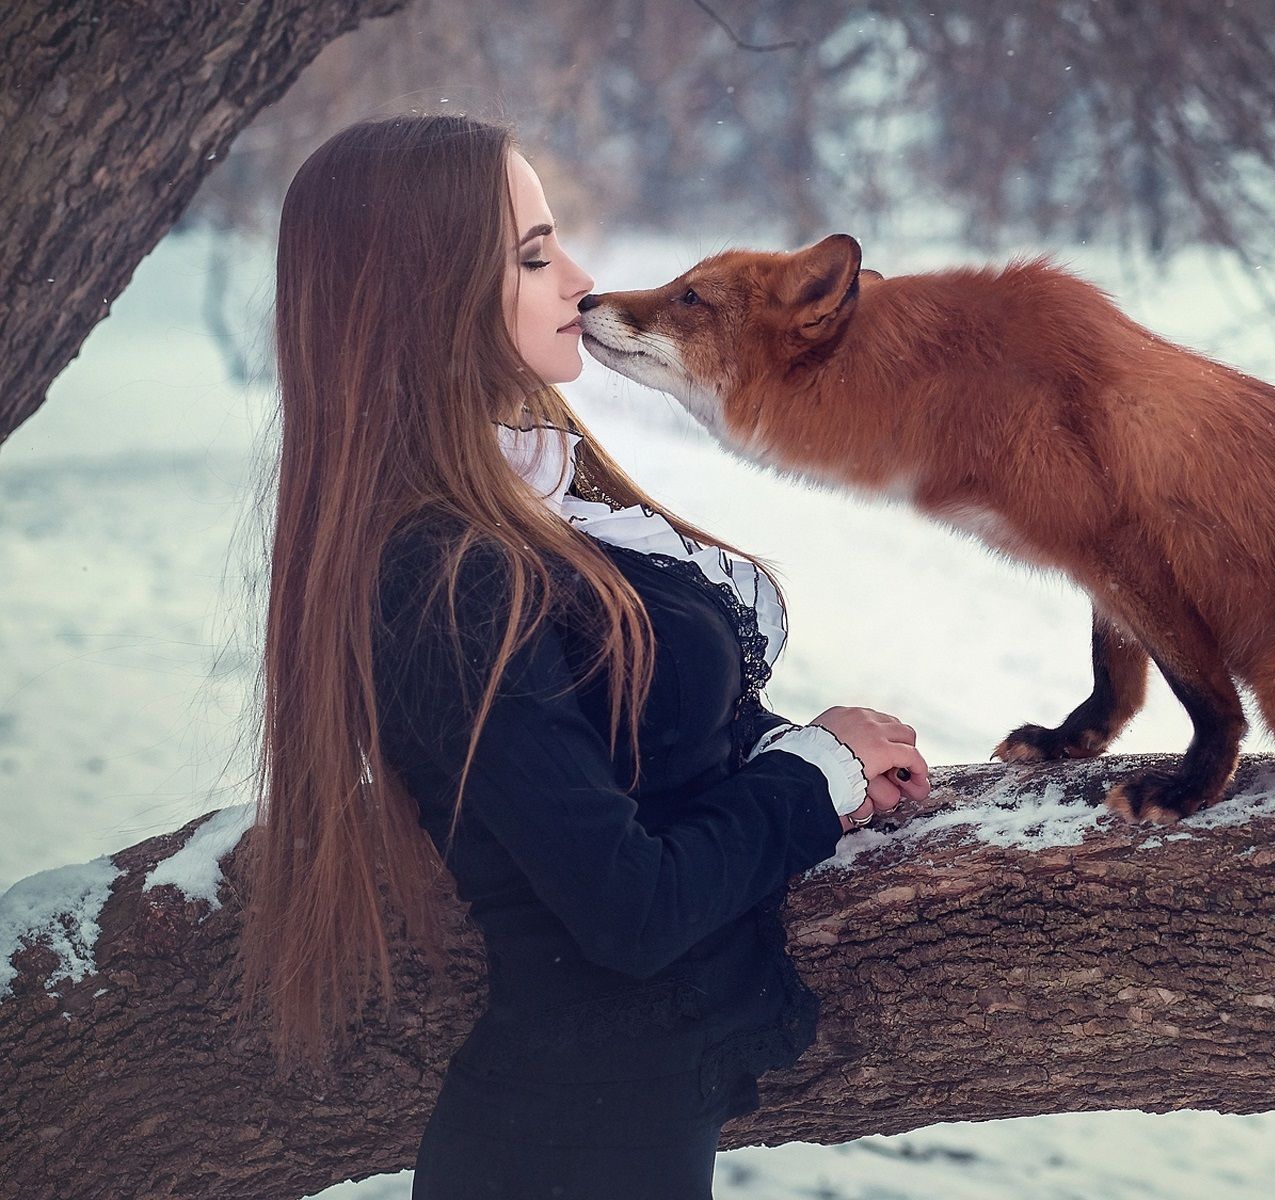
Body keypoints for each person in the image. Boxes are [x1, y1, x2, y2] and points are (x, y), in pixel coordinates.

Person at [234, 113, 931, 1199]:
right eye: (532, 256)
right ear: (427, 295)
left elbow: (634, 735)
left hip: (615, 1136)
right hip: (557, 1155)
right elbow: (628, 909)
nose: (580, 279)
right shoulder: (441, 572)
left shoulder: (537, 509)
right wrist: (812, 777)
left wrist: (812, 758)